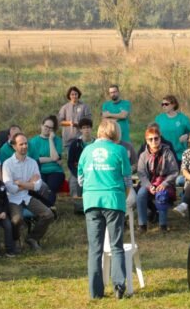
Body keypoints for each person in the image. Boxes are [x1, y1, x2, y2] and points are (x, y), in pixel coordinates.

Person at [78, 119, 134, 299]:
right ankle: (119, 285)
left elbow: (80, 180)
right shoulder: (120, 150)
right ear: (116, 132)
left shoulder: (86, 150)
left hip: (92, 201)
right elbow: (127, 181)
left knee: (95, 249)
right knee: (116, 246)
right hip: (113, 200)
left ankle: (95, 292)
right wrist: (123, 196)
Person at [2, 133, 55, 251]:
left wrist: (20, 183)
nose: (24, 146)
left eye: (26, 143)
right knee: (17, 220)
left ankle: (32, 238)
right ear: (14, 146)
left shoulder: (32, 162)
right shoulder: (7, 164)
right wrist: (29, 183)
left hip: (26, 197)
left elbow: (37, 186)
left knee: (48, 215)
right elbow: (10, 188)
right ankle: (16, 240)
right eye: (21, 144)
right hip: (12, 198)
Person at [136, 127, 179, 232]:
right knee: (141, 194)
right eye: (150, 139)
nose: (154, 141)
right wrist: (149, 186)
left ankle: (162, 225)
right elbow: (141, 174)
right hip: (148, 183)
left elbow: (174, 171)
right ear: (147, 141)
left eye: (156, 138)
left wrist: (164, 183)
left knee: (161, 194)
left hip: (164, 182)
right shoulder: (143, 155)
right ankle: (142, 224)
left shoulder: (167, 153)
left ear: (160, 138)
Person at [28, 115, 65, 207]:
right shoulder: (33, 142)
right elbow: (37, 160)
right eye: (46, 126)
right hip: (39, 170)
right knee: (39, 186)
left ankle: (48, 209)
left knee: (51, 187)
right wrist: (53, 159)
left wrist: (50, 140)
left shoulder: (57, 140)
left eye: (50, 128)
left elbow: (55, 157)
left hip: (56, 171)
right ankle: (44, 209)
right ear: (42, 125)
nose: (47, 129)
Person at [154, 94, 190, 162]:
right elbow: (153, 133)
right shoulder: (159, 119)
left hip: (179, 155)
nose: (164, 106)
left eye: (166, 104)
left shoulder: (183, 118)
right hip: (163, 154)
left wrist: (187, 135)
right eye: (162, 104)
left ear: (173, 104)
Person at [68, 118, 94, 214]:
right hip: (78, 171)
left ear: (91, 128)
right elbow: (70, 163)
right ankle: (79, 208)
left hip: (94, 171)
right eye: (84, 128)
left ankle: (93, 205)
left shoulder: (96, 143)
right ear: (80, 130)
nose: (86, 130)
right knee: (74, 182)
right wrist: (77, 174)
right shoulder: (75, 144)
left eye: (88, 127)